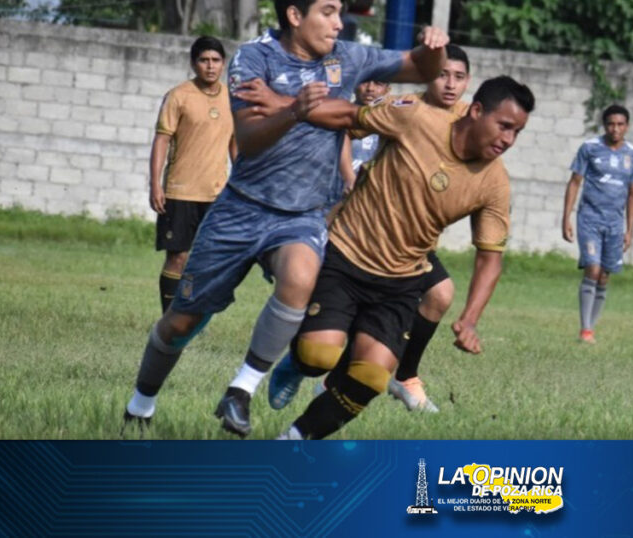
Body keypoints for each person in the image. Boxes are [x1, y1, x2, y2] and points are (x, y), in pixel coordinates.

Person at [120, 0, 448, 439]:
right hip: (241, 207)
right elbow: (249, 140)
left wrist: (434, 48)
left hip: (304, 215)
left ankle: (241, 389)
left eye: (339, 13)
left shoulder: (348, 57)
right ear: (295, 15)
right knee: (182, 320)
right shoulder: (255, 57)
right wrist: (294, 110)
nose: (338, 23)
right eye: (328, 12)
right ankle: (141, 403)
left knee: (299, 276)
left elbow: (420, 68)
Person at [274, 75, 534, 440]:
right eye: (504, 126)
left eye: (517, 132)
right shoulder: (416, 118)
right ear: (476, 111)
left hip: (401, 281)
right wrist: (285, 111)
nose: (508, 139)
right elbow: (350, 119)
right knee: (318, 357)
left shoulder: (494, 182)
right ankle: (297, 363)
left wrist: (470, 320)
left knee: (371, 377)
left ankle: (294, 441)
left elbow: (490, 257)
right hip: (347, 255)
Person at [264, 44, 473, 414]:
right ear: (428, 75)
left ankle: (405, 377)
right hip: (369, 233)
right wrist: (347, 174)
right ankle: (300, 364)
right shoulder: (407, 108)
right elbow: (349, 126)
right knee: (327, 342)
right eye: (442, 74)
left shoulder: (468, 119)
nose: (450, 84)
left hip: (412, 245)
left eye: (458, 76)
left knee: (440, 294)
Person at [149, 36, 236, 313]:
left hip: (217, 193)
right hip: (181, 190)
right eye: (204, 60)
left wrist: (242, 182)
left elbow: (235, 144)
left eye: (215, 60)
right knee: (178, 257)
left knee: (208, 259)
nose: (210, 66)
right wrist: (155, 185)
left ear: (223, 64)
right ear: (193, 63)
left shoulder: (232, 97)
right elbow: (161, 140)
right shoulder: (179, 96)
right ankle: (169, 319)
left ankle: (191, 317)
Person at [561, 105, 633, 344]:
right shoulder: (590, 148)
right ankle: (585, 329)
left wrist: (629, 230)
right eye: (610, 124)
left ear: (626, 126)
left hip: (615, 224)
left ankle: (591, 327)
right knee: (593, 269)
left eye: (620, 124)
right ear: (604, 125)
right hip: (590, 218)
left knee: (605, 276)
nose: (615, 129)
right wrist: (566, 217)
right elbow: (575, 182)